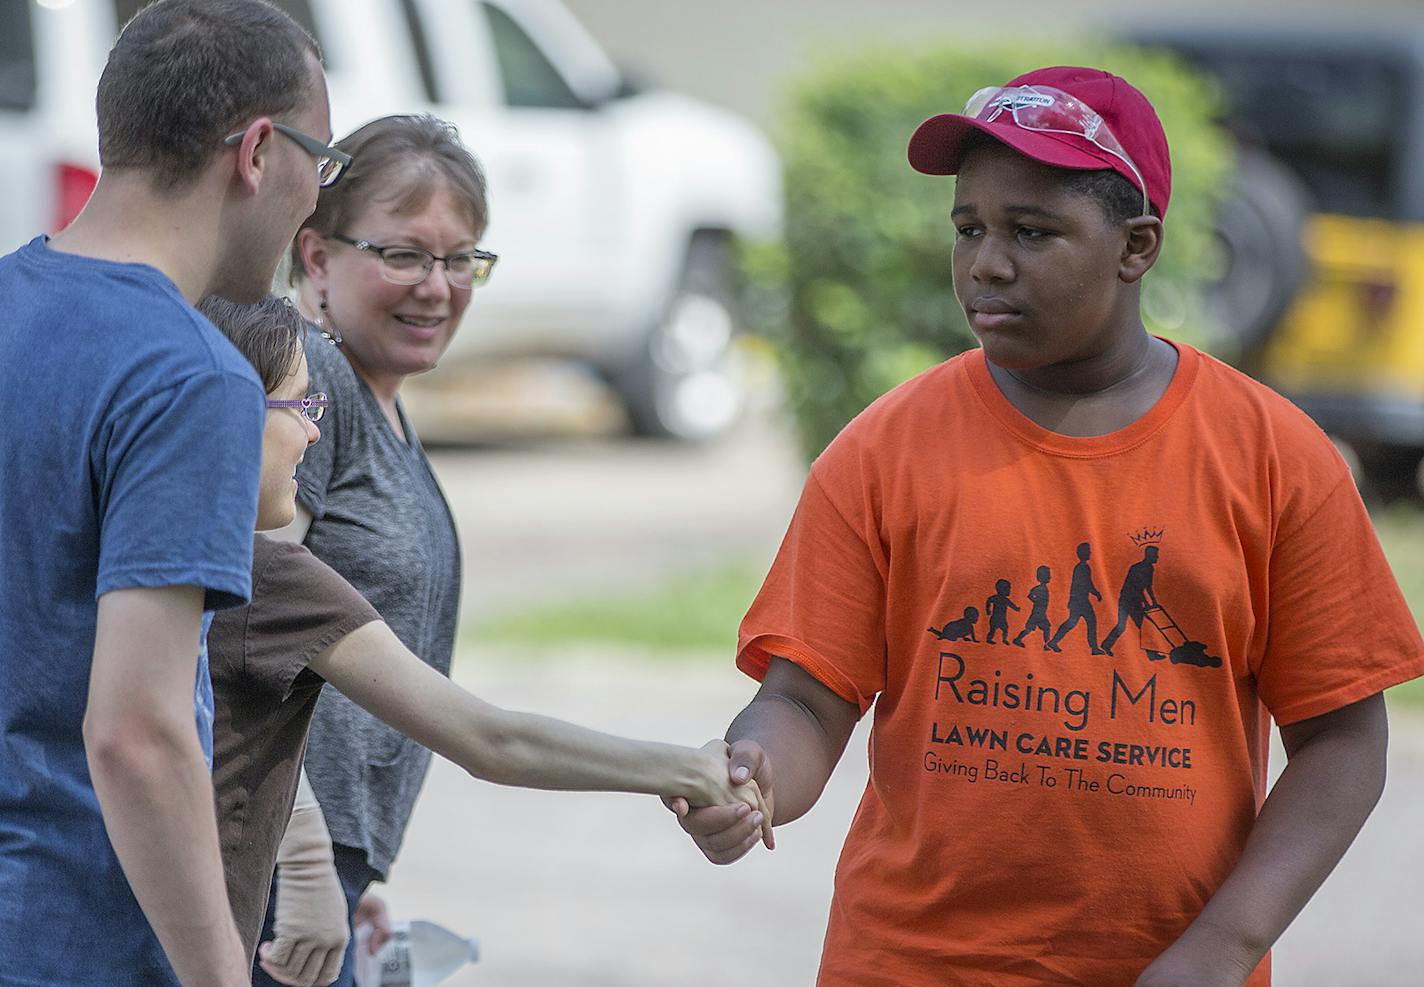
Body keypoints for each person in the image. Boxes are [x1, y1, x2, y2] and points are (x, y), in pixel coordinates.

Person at [665, 66, 1424, 987]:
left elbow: (1343, 742)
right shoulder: (886, 448)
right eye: (968, 228)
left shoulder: (1273, 457)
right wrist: (755, 780)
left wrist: (1221, 950)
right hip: (907, 963)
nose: (986, 261)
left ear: (1136, 246)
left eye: (1032, 231)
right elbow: (805, 700)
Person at [197, 295, 770, 981]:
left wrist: (319, 868)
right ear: (235, 411)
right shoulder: (273, 576)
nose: (315, 435)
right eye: (301, 408)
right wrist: (688, 769)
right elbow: (493, 739)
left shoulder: (146, 557)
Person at [0, 0, 343, 985]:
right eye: (321, 163)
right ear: (258, 153)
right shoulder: (190, 378)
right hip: (72, 943)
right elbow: (138, 731)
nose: (316, 197)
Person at [252, 114, 496, 985]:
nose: (437, 286)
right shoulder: (313, 385)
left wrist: (349, 880)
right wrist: (306, 862)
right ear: (316, 257)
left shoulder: (377, 397)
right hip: (274, 867)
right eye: (402, 254)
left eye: (460, 257)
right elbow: (238, 636)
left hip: (328, 868)